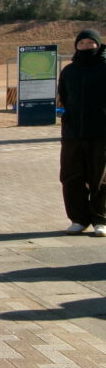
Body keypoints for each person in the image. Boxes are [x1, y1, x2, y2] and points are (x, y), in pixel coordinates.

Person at [58, 28, 106, 237]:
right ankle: (78, 219)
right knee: (71, 177)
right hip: (73, 134)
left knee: (100, 178)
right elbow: (64, 97)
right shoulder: (69, 71)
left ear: (98, 44)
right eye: (82, 43)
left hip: (101, 133)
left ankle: (100, 220)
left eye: (90, 43)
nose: (86, 47)